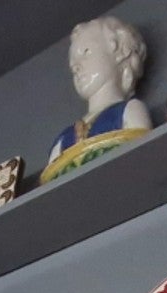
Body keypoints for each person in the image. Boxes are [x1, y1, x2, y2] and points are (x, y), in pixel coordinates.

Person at [42, 17, 154, 184]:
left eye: (86, 52)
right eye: (73, 64)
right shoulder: (62, 140)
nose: (76, 66)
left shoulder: (130, 111)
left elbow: (144, 159)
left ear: (120, 52)